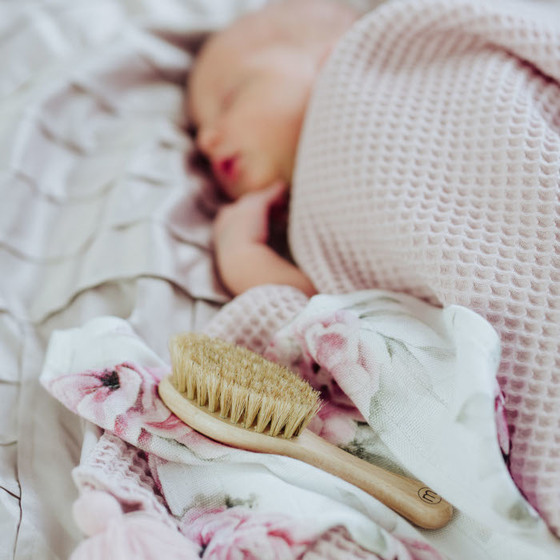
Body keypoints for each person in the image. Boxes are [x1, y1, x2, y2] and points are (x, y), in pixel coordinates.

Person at [187, 0, 359, 297]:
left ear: (334, 56)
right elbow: (342, 311)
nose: (205, 140)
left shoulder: (381, 83)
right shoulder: (312, 237)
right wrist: (243, 255)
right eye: (201, 127)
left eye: (230, 99)